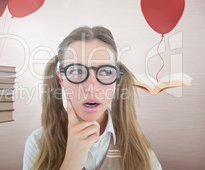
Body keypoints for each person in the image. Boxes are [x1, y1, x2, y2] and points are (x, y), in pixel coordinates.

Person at [23, 26, 162, 170]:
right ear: (61, 78)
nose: (91, 87)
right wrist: (71, 162)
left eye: (106, 72)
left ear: (116, 79)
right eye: (77, 71)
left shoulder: (141, 151)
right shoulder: (37, 144)